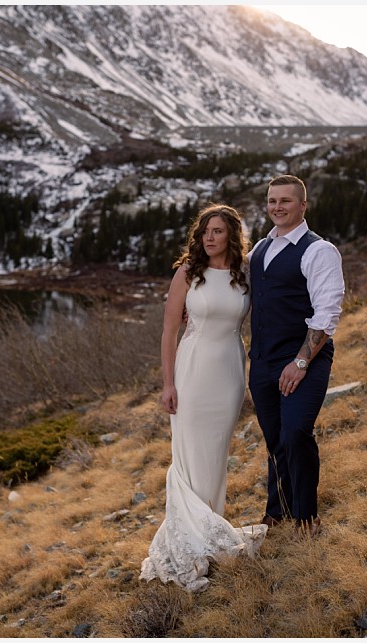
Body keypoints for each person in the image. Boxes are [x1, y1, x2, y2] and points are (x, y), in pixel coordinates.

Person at [140, 204, 267, 592]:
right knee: (190, 457)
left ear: (232, 235)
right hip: (192, 371)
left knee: (214, 457)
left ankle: (208, 533)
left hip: (228, 372)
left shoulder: (243, 274)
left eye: (217, 231)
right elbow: (168, 332)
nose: (209, 238)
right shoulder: (187, 273)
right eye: (205, 231)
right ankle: (190, 542)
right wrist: (168, 384)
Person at [247, 174, 345, 539]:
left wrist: (301, 362)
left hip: (304, 357)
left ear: (303, 205)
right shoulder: (259, 249)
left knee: (296, 432)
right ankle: (277, 511)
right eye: (272, 201)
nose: (277, 207)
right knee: (274, 439)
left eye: (285, 201)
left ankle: (307, 517)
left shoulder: (319, 251)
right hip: (262, 361)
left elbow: (327, 314)